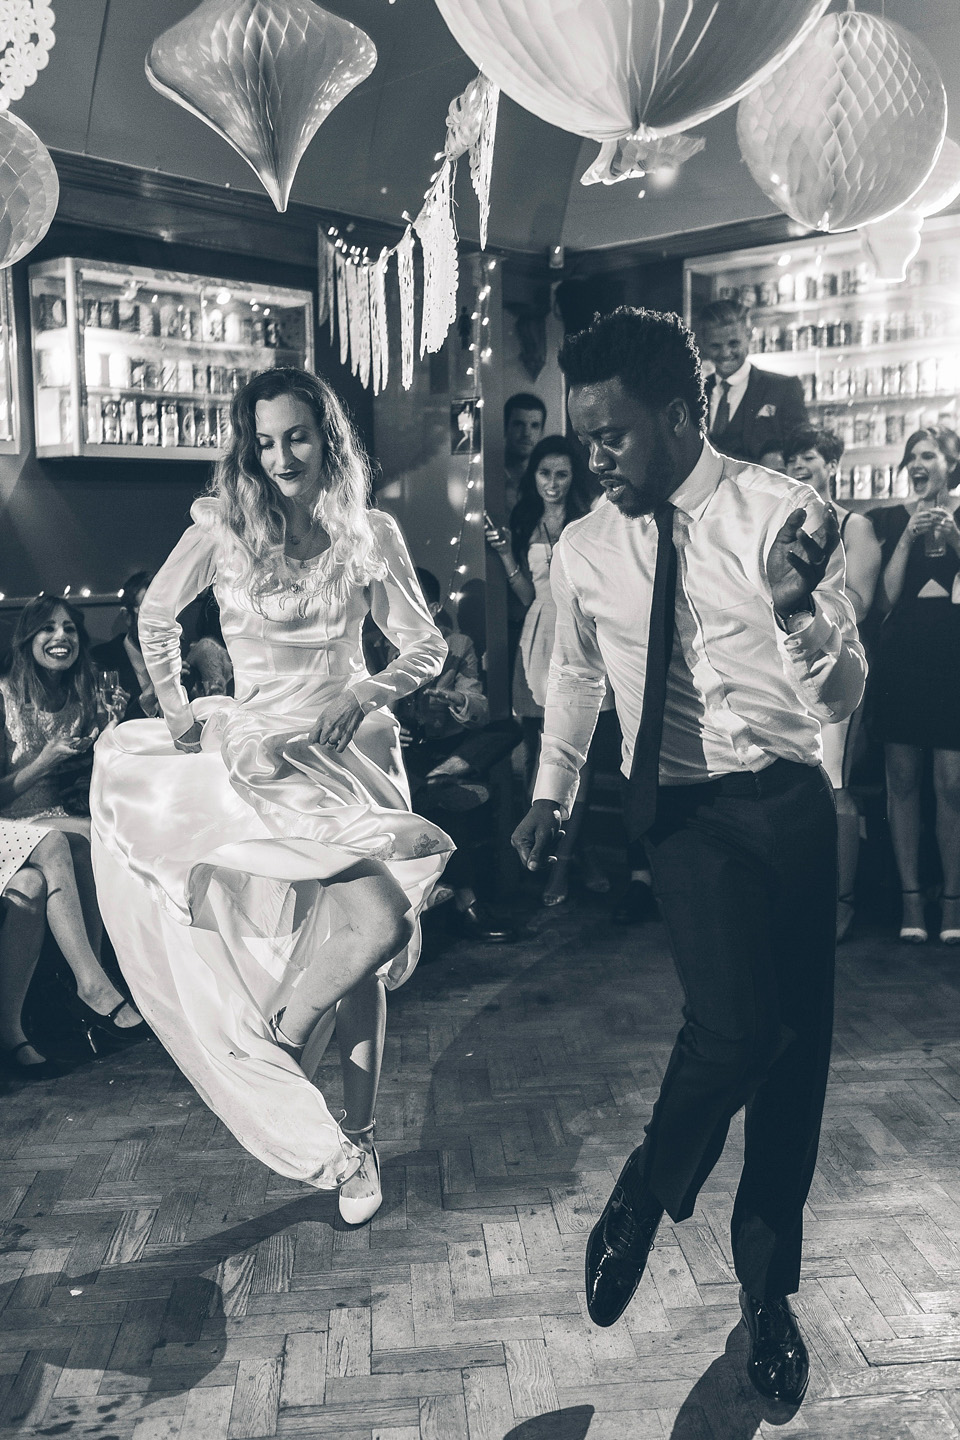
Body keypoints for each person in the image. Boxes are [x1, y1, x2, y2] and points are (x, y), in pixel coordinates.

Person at [512, 308, 865, 1405]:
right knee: (734, 1027)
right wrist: (552, 793)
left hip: (790, 802)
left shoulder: (783, 516)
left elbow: (845, 692)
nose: (591, 458)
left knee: (793, 1061)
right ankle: (646, 1191)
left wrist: (798, 605)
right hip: (682, 817)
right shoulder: (585, 547)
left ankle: (766, 1295)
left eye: (610, 436)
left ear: (676, 417)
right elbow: (573, 675)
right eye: (584, 436)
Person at [90, 367, 453, 1225]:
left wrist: (362, 694)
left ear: (326, 436)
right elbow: (153, 615)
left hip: (351, 751)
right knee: (370, 924)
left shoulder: (372, 535)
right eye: (265, 440)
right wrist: (179, 710)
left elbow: (424, 647)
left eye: (297, 435)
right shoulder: (224, 527)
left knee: (366, 947)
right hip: (260, 753)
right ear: (248, 447)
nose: (282, 454)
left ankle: (354, 1143)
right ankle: (277, 1047)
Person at [0, 596, 145, 1048]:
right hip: (11, 817)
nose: (60, 637)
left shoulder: (80, 695)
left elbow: (92, 773)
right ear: (28, 639)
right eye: (47, 629)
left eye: (69, 629)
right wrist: (43, 762)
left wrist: (112, 728)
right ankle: (92, 986)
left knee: (101, 838)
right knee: (59, 843)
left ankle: (101, 973)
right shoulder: (4, 696)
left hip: (51, 815)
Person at [487, 435, 613, 905]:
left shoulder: (590, 520)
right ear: (534, 477)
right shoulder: (525, 520)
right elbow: (525, 595)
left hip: (580, 633)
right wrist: (503, 555)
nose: (553, 483)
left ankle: (564, 869)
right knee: (534, 762)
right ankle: (555, 855)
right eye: (545, 474)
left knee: (581, 760)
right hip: (536, 635)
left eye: (562, 474)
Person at [785, 427, 881, 941]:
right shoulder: (783, 522)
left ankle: (841, 903)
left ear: (832, 466)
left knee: (836, 785)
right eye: (792, 458)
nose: (798, 465)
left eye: (809, 457)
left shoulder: (854, 525)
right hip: (787, 664)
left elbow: (861, 604)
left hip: (834, 663)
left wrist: (802, 598)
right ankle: (806, 898)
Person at [868, 427, 960, 945]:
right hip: (902, 664)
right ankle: (909, 898)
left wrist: (955, 535)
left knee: (952, 785)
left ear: (951, 462)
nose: (918, 464)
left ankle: (951, 899)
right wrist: (906, 535)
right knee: (900, 783)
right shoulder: (886, 519)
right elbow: (885, 600)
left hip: (953, 665)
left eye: (929, 455)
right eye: (912, 458)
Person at [395, 568, 519, 944]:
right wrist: (387, 722)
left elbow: (479, 704)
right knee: (446, 803)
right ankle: (469, 902)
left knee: (508, 728)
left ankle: (440, 777)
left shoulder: (457, 644)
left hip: (447, 748)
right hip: (400, 753)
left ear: (432, 607)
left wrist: (458, 700)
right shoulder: (377, 642)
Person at [698, 298, 808, 466]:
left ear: (749, 336)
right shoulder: (693, 393)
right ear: (703, 344)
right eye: (715, 346)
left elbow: (801, 457)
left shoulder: (783, 388)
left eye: (733, 343)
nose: (725, 353)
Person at [92, 571, 158, 720]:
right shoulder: (99, 662)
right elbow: (104, 730)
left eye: (167, 612)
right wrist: (147, 699)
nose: (160, 623)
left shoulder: (178, 659)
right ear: (127, 616)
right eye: (150, 613)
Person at [503, 392, 546, 517]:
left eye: (534, 426)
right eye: (519, 424)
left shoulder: (547, 479)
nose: (526, 433)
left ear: (542, 432)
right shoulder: (490, 477)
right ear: (505, 428)